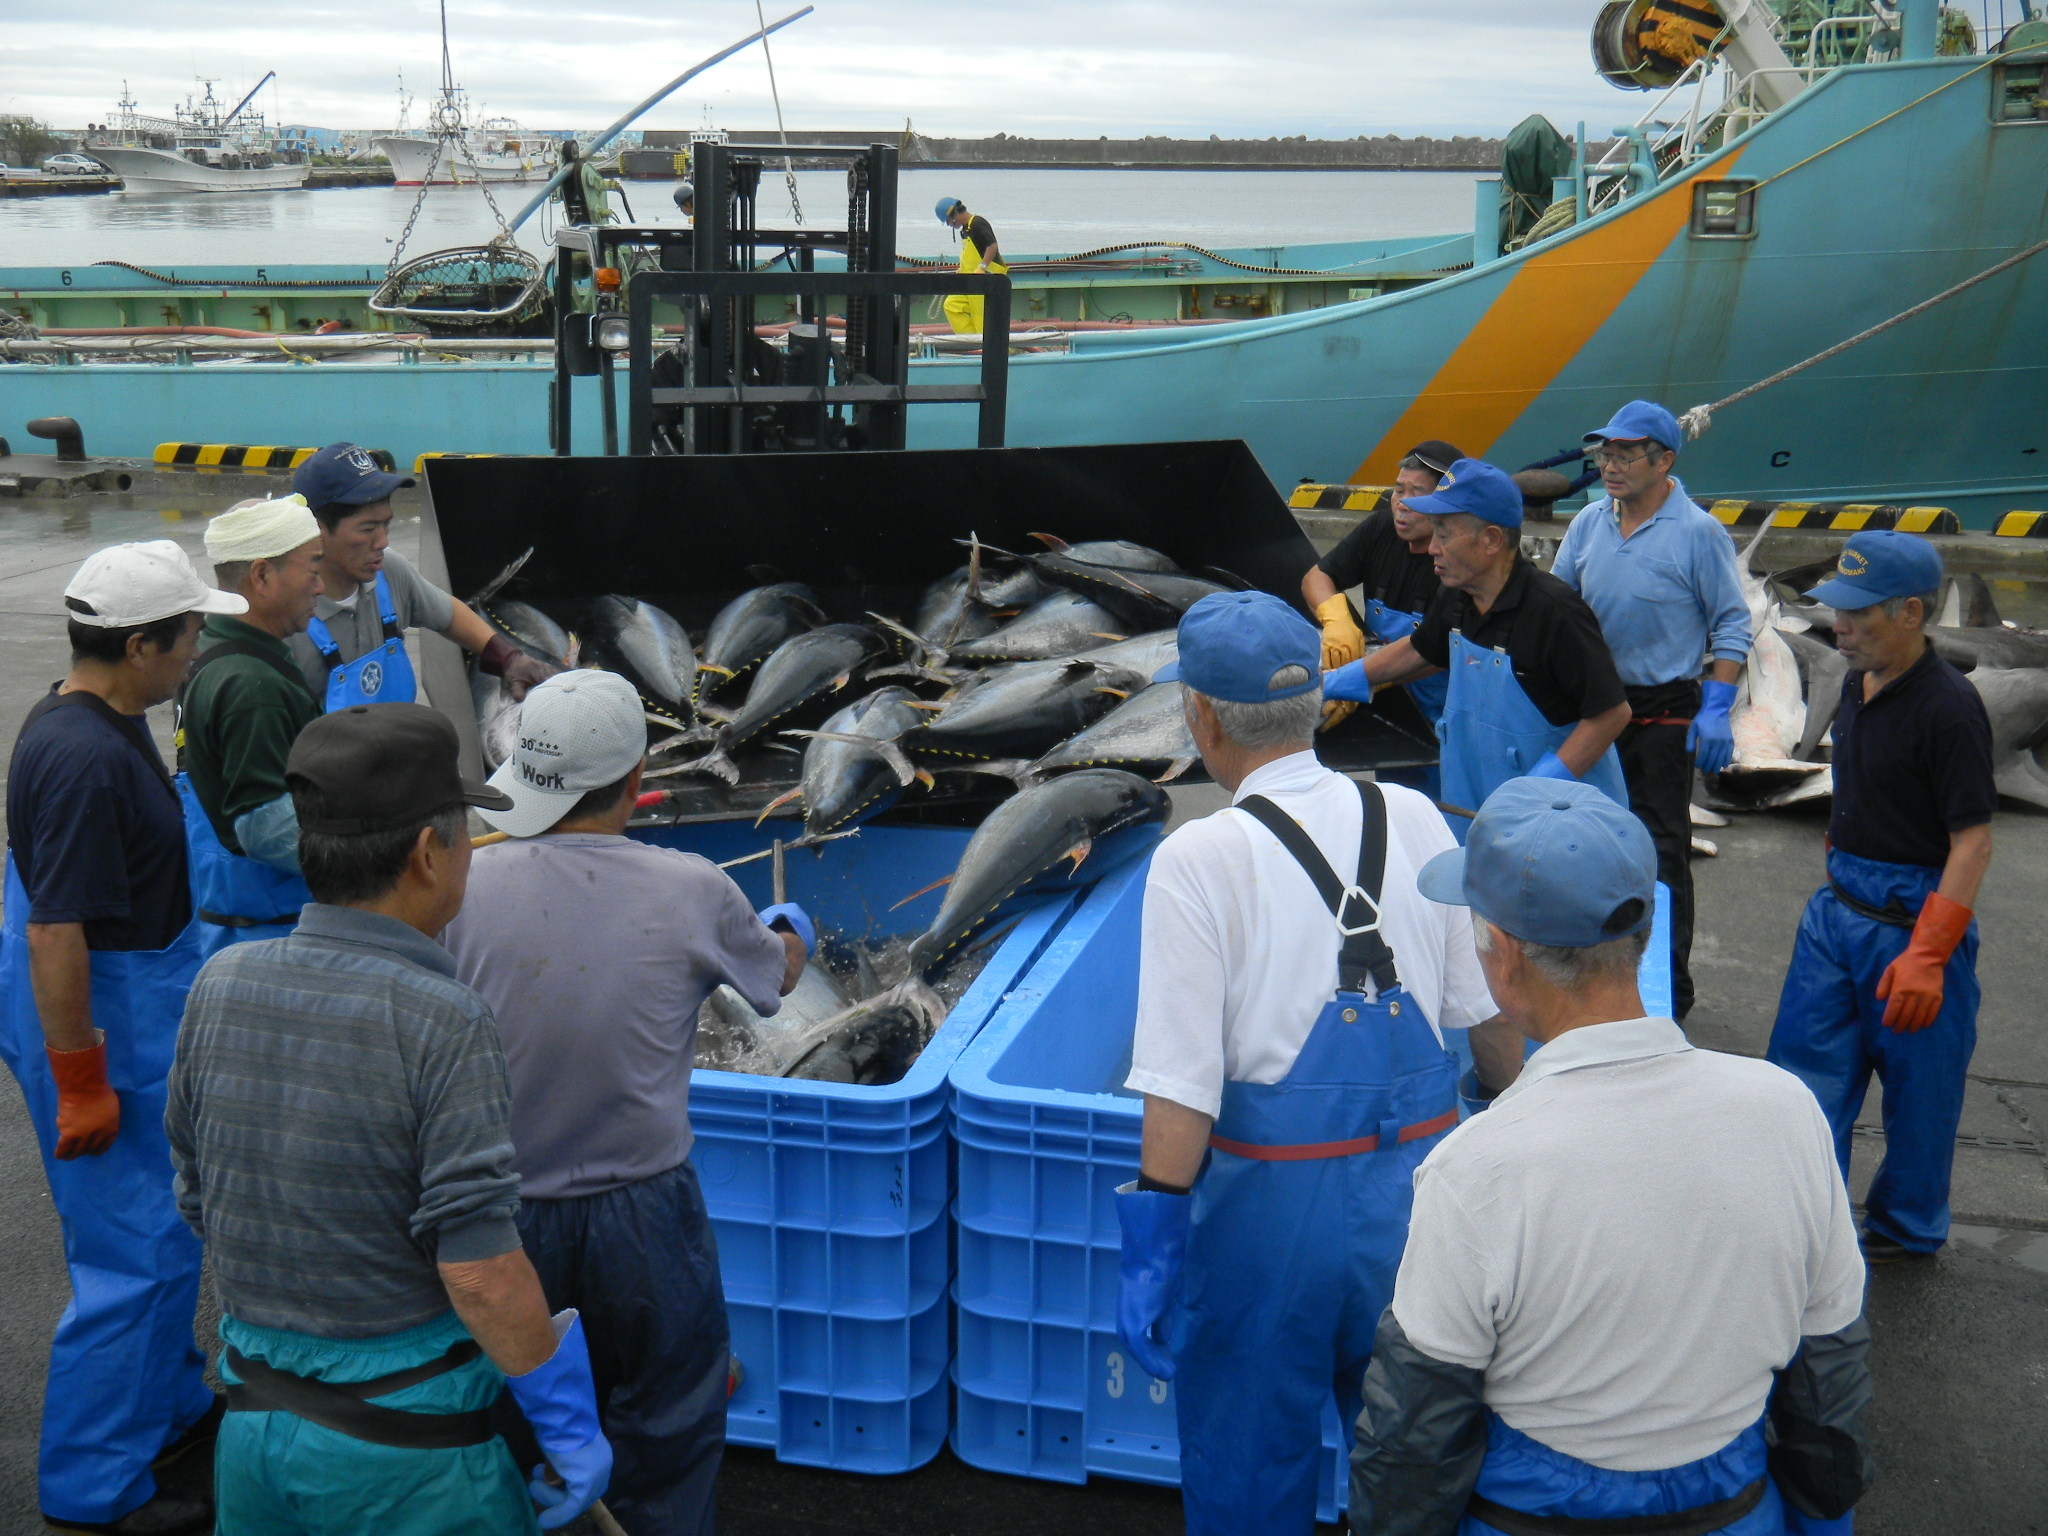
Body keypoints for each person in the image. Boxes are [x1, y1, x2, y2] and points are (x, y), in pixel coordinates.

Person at [1349, 777, 1875, 1536]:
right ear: (1644, 928)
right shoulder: (1786, 1110)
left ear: (1500, 956)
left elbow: (1416, 1433)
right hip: (1733, 1510)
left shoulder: (1475, 1167)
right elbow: (1830, 1379)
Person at [1112, 591, 1511, 1536]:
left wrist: (1153, 1243)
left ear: (1201, 717)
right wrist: (1526, 1128)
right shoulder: (1413, 816)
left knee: (1250, 1470)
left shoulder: (1198, 856)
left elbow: (1181, 1086)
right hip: (1419, 1209)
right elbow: (1485, 1017)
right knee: (1416, 1471)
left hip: (1268, 1229)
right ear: (1314, 702)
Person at [165, 703, 613, 1535]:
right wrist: (566, 1424)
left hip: (255, 1438)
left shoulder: (218, 983)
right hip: (406, 1466)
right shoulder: (443, 1018)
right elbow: (479, 1271)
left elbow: (199, 1197)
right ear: (425, 855)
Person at [443, 671, 808, 1535]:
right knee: (667, 1424)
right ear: (638, 778)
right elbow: (772, 981)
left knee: (512, 1427)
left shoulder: (462, 884)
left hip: (497, 1220)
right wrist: (792, 931)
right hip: (646, 1216)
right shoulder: (692, 886)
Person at [0, 540, 246, 1536]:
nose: (199, 651)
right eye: (190, 635)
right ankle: (94, 1485)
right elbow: (56, 930)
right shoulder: (84, 757)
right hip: (105, 1016)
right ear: (142, 643)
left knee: (162, 1227)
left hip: (124, 990)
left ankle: (170, 1404)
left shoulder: (99, 715)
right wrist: (83, 1080)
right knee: (130, 1254)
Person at [1767, 530, 1995, 1262]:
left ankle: (1904, 1229)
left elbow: (1973, 842)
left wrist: (1930, 954)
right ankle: (1809, 1222)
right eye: (1838, 608)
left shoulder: (1951, 709)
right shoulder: (1855, 682)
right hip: (1837, 914)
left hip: (1913, 920)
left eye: (1860, 613)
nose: (1841, 625)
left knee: (1920, 1097)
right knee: (1803, 1080)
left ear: (1911, 612)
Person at [1551, 400, 1751, 1023]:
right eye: (1604, 453)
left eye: (1625, 454)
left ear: (1664, 460)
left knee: (1661, 853)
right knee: (1583, 846)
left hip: (1663, 714)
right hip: (1596, 706)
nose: (1609, 465)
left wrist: (1717, 706)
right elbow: (1559, 606)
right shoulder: (1587, 524)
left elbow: (1732, 621)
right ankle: (1591, 989)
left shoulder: (1697, 533)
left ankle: (1668, 996)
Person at [1323, 457, 1632, 824]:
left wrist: (1541, 787)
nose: (1433, 547)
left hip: (1555, 818)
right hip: (1475, 798)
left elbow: (1611, 713)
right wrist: (1331, 684)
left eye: (1443, 532)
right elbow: (1421, 651)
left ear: (1491, 539)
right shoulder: (1457, 594)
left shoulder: (1554, 611)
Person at [287, 443, 557, 709]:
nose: (382, 541)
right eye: (368, 529)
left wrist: (509, 658)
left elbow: (449, 612)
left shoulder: (389, 571)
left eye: (386, 524)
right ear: (315, 529)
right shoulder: (285, 611)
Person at [176, 495, 325, 957]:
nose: (321, 586)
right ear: (262, 576)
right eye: (313, 569)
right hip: (270, 932)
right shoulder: (250, 684)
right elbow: (268, 831)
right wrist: (377, 856)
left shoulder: (210, 647)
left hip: (227, 916)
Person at [1301, 438, 1461, 732]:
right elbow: (1316, 577)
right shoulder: (1381, 529)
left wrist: (1358, 679)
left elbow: (1438, 652)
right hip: (1392, 708)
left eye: (1417, 493)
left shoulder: (1460, 561)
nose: (1402, 503)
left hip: (1446, 716)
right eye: (1399, 490)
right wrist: (1337, 620)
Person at [935, 196, 1008, 336]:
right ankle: (972, 342)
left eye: (949, 222)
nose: (950, 225)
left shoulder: (977, 224)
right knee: (951, 305)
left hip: (986, 282)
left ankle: (985, 349)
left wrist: (982, 267)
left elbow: (992, 246)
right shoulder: (965, 230)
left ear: (954, 214)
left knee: (982, 321)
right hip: (971, 282)